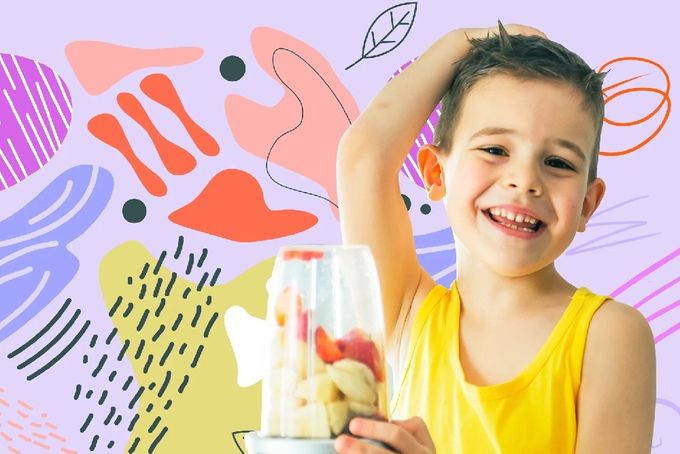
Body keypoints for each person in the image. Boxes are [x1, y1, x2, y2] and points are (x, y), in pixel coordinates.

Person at [334, 21, 656, 453]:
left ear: (586, 204)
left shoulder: (609, 336)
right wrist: (459, 43)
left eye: (558, 163)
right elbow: (364, 156)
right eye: (495, 150)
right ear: (435, 172)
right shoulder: (409, 314)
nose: (524, 181)